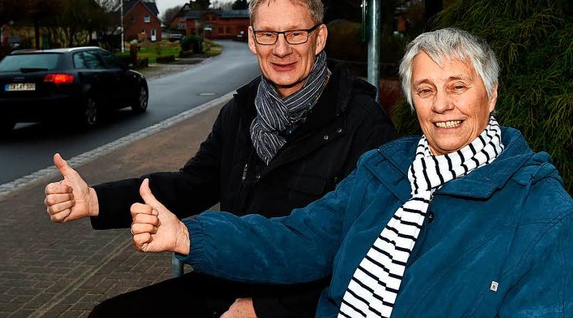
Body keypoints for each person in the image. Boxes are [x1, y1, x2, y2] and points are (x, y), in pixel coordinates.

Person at [132, 27, 573, 317]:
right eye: (425, 89)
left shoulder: (541, 210)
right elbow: (299, 238)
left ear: (491, 95)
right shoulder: (383, 168)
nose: (441, 105)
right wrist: (190, 236)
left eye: (458, 87)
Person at [44, 0, 397, 317]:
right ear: (252, 40)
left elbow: (370, 249)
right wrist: (95, 200)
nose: (281, 49)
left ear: (319, 38)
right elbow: (191, 185)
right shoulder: (241, 112)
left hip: (306, 298)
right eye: (267, 34)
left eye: (295, 34)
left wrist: (269, 310)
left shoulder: (363, 123)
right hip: (230, 276)